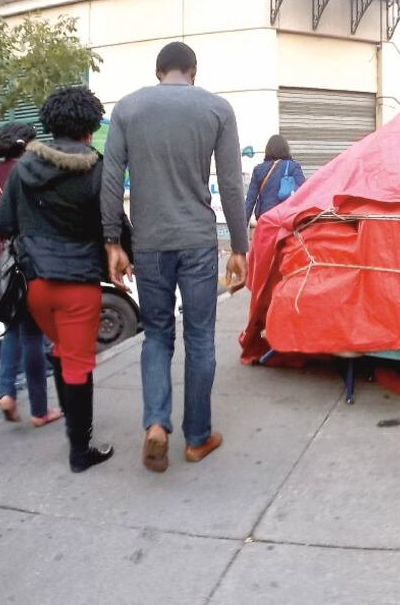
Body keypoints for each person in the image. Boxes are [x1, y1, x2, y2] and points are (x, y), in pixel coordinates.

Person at [100, 41, 249, 473]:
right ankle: (197, 439)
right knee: (200, 338)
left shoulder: (127, 109)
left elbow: (111, 179)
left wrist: (113, 242)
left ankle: (156, 425)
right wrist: (240, 246)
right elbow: (231, 185)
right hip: (198, 242)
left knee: (158, 336)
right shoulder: (217, 110)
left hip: (149, 244)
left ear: (158, 71)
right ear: (193, 71)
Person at [0, 86, 118, 473]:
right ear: (89, 126)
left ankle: (72, 423)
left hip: (35, 285)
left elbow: (4, 223)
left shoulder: (21, 170)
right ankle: (80, 452)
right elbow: (113, 225)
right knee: (79, 365)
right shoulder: (98, 168)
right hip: (79, 284)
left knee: (63, 351)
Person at [0, 123, 60, 427]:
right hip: (29, 261)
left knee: (12, 330)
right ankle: (40, 410)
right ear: (25, 145)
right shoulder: (37, 173)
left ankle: (7, 391)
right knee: (32, 336)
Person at [243, 134, 306, 222]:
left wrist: (242, 227)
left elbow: (250, 200)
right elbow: (304, 191)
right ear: (286, 149)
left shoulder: (258, 169)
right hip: (286, 217)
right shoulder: (293, 166)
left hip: (265, 217)